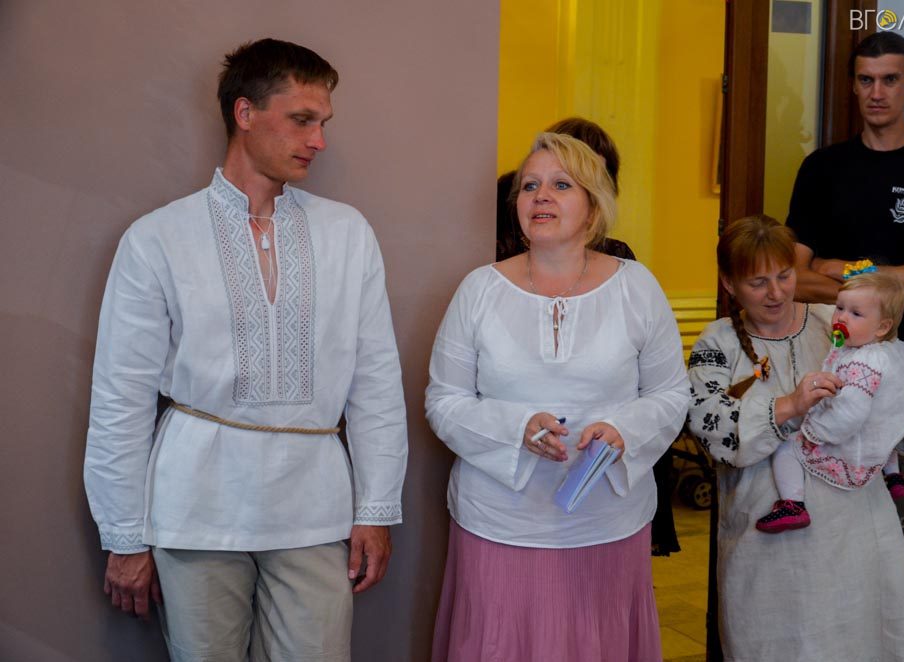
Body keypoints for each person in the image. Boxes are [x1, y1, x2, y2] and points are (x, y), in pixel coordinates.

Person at [84, 38, 407, 661]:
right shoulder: (158, 238)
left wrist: (375, 509)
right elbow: (120, 396)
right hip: (195, 511)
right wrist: (124, 535)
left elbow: (376, 383)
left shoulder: (347, 235)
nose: (319, 140)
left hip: (315, 510)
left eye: (323, 122)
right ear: (245, 113)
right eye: (302, 119)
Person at [427, 132, 690, 661]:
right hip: (498, 523)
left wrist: (624, 431)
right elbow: (444, 400)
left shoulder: (637, 287)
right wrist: (516, 429)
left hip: (607, 524)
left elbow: (670, 392)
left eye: (561, 184)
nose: (541, 196)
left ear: (594, 206)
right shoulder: (478, 290)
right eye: (530, 186)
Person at [687, 215, 904, 660]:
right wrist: (790, 406)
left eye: (785, 276)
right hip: (767, 549)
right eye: (758, 282)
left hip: (858, 537)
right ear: (729, 283)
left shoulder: (840, 319)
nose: (776, 293)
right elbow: (713, 432)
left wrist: (881, 428)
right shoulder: (718, 344)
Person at [786, 31, 904, 541]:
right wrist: (899, 275)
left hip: (899, 400)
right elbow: (794, 280)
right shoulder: (821, 168)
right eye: (866, 80)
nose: (877, 92)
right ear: (852, 85)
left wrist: (839, 267)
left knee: (887, 544)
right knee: (820, 546)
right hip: (824, 385)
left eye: (890, 79)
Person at [755, 270, 904, 533]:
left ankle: (793, 504)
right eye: (839, 307)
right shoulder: (895, 346)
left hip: (853, 444)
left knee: (785, 447)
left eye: (855, 313)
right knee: (890, 426)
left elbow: (848, 415)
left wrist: (815, 433)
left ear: (882, 327)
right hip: (884, 431)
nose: (841, 317)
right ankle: (893, 475)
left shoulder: (860, 363)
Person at [496, 117, 636, 261]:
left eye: (599, 175)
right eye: (530, 186)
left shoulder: (618, 258)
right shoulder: (500, 250)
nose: (541, 195)